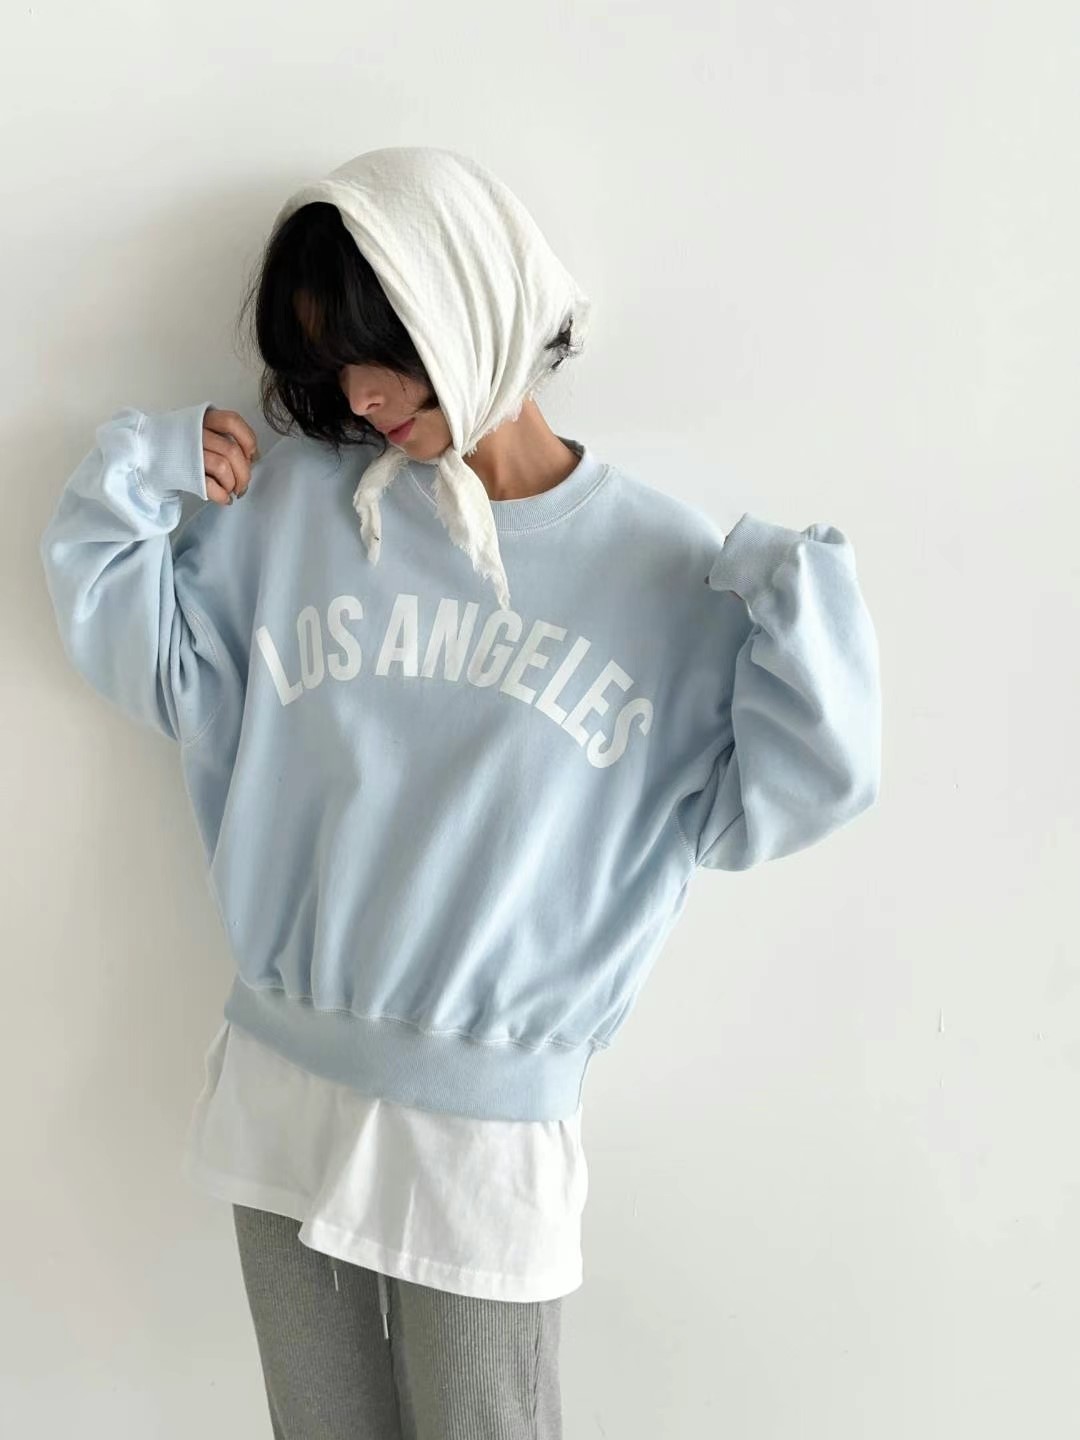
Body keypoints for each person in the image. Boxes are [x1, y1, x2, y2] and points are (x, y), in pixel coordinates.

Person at [38, 146, 883, 1439]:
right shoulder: (298, 512)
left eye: (385, 353)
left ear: (475, 304)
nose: (362, 397)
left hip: (487, 1134)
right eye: (335, 366)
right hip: (282, 1083)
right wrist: (143, 471)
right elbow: (146, 655)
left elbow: (795, 792)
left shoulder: (667, 574)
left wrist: (792, 597)